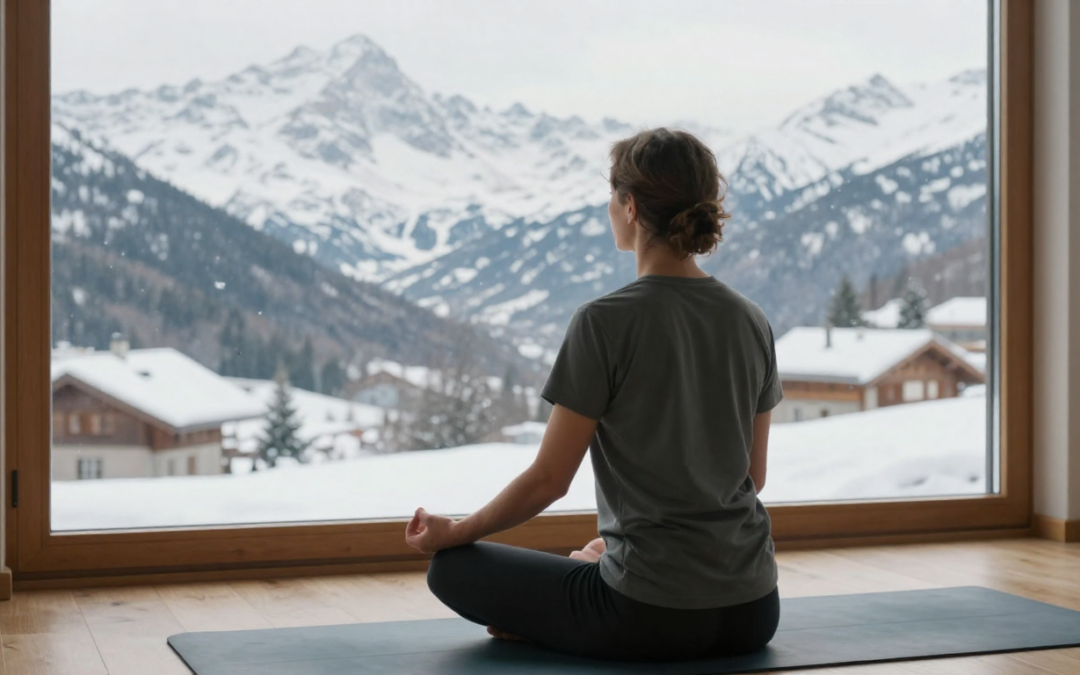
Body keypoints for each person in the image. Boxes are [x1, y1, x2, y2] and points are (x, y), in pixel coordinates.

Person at [404, 127, 782, 662]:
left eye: (612, 196)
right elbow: (752, 476)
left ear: (630, 207)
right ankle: (582, 586)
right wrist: (612, 546)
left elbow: (548, 481)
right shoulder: (752, 320)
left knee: (453, 568)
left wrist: (454, 532)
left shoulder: (604, 322)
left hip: (645, 616)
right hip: (754, 609)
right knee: (589, 563)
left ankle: (556, 622)